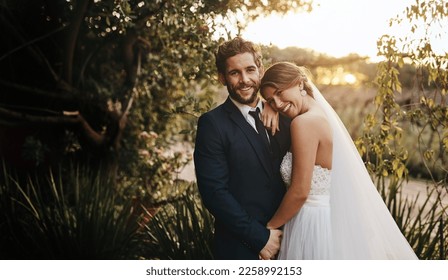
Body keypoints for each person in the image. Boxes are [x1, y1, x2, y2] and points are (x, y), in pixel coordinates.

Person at [259, 61, 418, 260]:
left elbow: (300, 191)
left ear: (300, 84)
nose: (278, 104)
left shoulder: (303, 123)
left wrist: (268, 231)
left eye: (279, 93)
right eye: (271, 100)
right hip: (323, 219)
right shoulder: (319, 114)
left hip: (307, 223)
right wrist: (267, 105)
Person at [193, 37, 291, 260]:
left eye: (250, 70)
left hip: (292, 242)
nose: (244, 80)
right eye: (235, 73)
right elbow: (214, 193)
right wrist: (260, 238)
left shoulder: (285, 117)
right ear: (222, 78)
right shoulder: (212, 124)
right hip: (241, 249)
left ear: (261, 70)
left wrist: (272, 105)